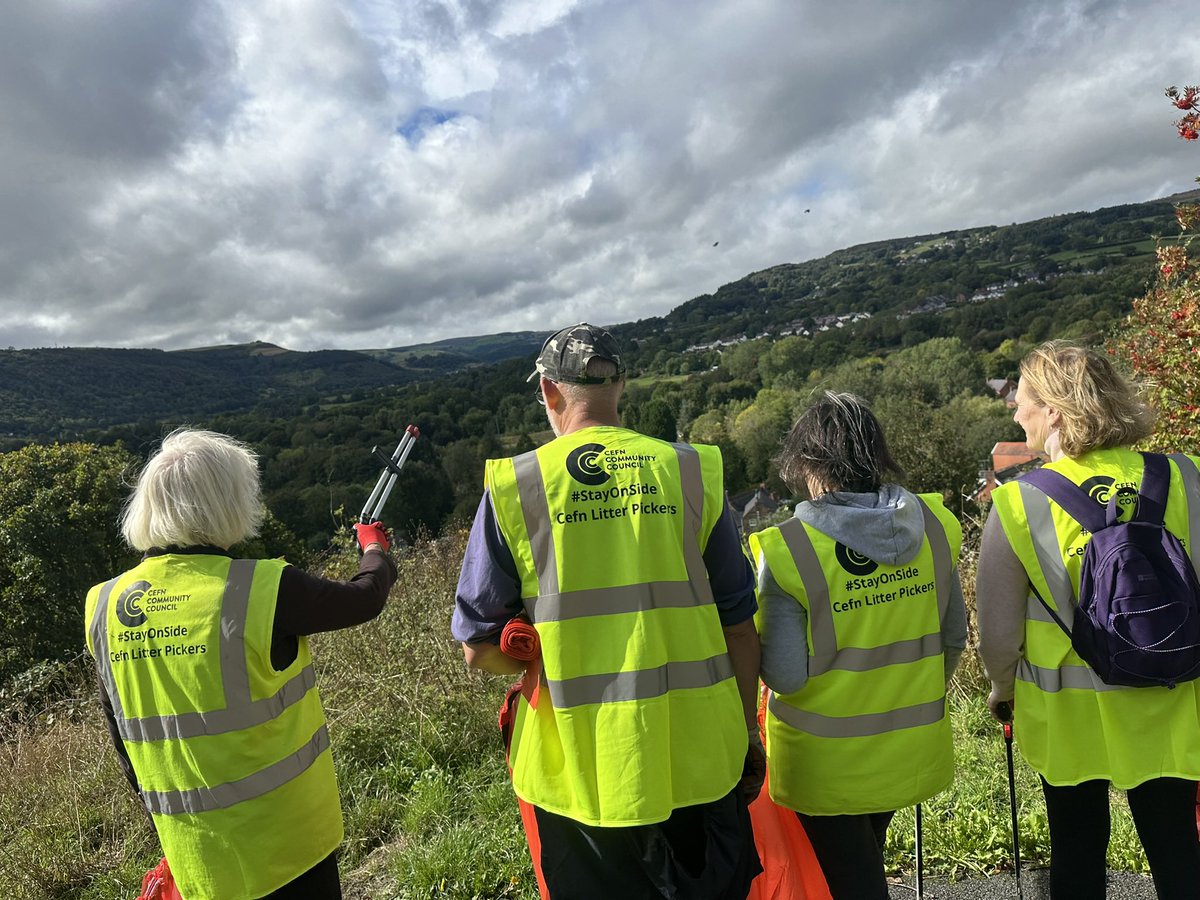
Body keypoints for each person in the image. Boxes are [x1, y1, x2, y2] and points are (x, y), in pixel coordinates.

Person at [452, 322, 764, 900]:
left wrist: (528, 653)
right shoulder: (691, 471)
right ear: (621, 387)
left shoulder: (517, 486)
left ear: (549, 393)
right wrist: (747, 733)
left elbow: (479, 650)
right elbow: (740, 628)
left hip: (579, 776)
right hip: (699, 761)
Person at [83, 429, 397, 900]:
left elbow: (123, 735)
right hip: (289, 849)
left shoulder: (104, 605)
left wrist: (168, 828)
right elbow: (363, 599)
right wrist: (375, 550)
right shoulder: (261, 589)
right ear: (227, 503)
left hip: (197, 855)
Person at [976, 340, 1200, 900]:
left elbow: (999, 635)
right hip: (1168, 695)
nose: (1015, 411)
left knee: (1076, 852)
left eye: (1022, 401)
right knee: (1176, 845)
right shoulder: (1185, 476)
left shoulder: (1018, 502)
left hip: (1069, 716)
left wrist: (1002, 688)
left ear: (1053, 409)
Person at [748, 391, 965, 900]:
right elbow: (953, 637)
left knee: (856, 883)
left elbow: (785, 675)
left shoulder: (789, 550)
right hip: (910, 747)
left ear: (808, 463)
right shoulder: (935, 528)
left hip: (825, 765)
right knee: (864, 867)